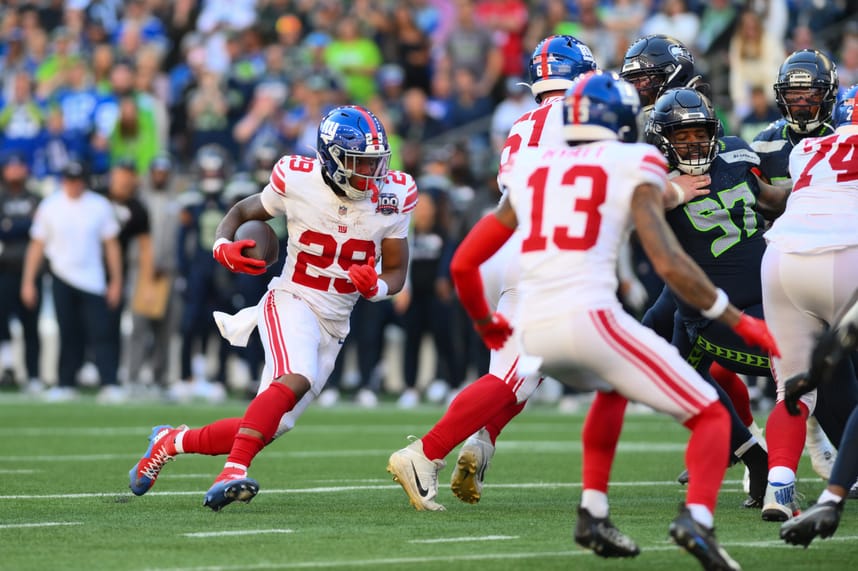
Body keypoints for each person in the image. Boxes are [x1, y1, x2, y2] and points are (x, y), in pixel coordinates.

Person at [449, 70, 778, 570]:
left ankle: (593, 512)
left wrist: (485, 323)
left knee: (612, 389)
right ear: (625, 120)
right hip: (590, 321)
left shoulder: (534, 167)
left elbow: (463, 263)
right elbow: (668, 262)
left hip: (534, 328)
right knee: (710, 415)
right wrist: (734, 317)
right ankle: (697, 520)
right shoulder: (636, 160)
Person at [128, 105, 417, 511]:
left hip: (335, 322)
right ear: (332, 160)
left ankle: (170, 440)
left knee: (270, 424)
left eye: (376, 163)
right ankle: (233, 471)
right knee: (296, 375)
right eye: (359, 163)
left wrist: (377, 287)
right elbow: (243, 211)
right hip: (293, 298)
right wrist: (222, 245)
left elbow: (398, 271)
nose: (372, 174)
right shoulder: (297, 178)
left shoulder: (396, 193)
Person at [386, 34, 600, 512]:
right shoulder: (581, 114)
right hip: (544, 247)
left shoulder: (521, 121)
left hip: (505, 243)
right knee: (515, 373)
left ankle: (481, 442)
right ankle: (426, 453)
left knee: (530, 367)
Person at [642, 87, 790, 507]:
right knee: (676, 382)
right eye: (681, 135)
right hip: (705, 311)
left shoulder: (737, 153)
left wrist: (811, 189)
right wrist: (671, 191)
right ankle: (754, 456)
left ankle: (787, 472)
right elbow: (630, 207)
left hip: (751, 304)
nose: (692, 142)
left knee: (807, 378)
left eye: (699, 132)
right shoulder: (651, 175)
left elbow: (770, 200)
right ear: (662, 138)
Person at [751, 49, 852, 485]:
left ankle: (775, 474)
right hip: (827, 255)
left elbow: (777, 198)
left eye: (810, 91)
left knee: (804, 379)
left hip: (785, 262)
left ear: (829, 96)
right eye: (793, 93)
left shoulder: (815, 145)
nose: (801, 101)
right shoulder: (771, 141)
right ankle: (753, 445)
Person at [20, 160, 123, 402]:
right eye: (69, 179)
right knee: (67, 331)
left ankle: (109, 382)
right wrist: (28, 281)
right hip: (61, 276)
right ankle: (66, 382)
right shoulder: (50, 206)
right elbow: (37, 246)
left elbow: (111, 246)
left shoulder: (99, 205)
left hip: (93, 279)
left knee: (101, 331)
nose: (73, 185)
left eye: (77, 180)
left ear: (84, 181)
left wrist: (116, 281)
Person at [0, 153, 41, 392]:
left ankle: (33, 374)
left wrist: (11, 226)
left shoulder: (35, 197)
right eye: (11, 167)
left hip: (31, 270)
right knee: (2, 322)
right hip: (4, 269)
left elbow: (40, 226)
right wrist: (22, 225)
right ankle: (7, 368)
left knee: (30, 324)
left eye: (19, 166)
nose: (15, 171)